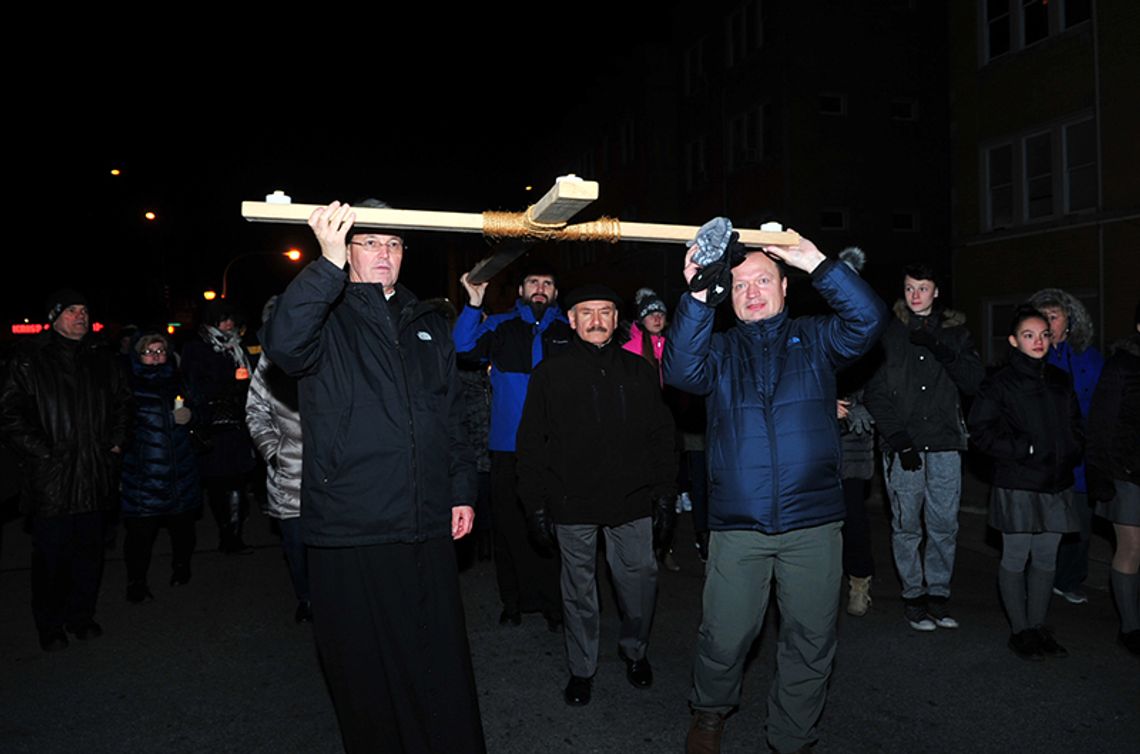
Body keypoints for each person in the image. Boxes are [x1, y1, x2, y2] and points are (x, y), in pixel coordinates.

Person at [261, 200, 484, 753]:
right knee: (363, 672)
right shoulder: (321, 313)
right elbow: (284, 347)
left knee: (436, 661)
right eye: (370, 243)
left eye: (394, 244)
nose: (384, 254)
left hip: (425, 519)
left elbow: (451, 415)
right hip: (351, 522)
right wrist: (326, 264)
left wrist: (461, 490)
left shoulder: (428, 319)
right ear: (348, 248)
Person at [664, 225, 887, 754]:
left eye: (763, 280)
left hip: (813, 521)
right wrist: (697, 291)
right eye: (739, 286)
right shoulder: (716, 352)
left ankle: (793, 737)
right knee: (725, 636)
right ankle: (710, 712)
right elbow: (679, 371)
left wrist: (816, 261)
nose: (752, 292)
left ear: (785, 287)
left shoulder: (815, 339)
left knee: (811, 641)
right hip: (739, 523)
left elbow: (869, 320)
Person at [517, 284, 677, 707]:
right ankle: (582, 668)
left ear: (615, 318)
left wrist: (665, 494)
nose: (595, 320)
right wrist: (534, 502)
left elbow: (662, 437)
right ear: (571, 319)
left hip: (631, 499)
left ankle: (635, 651)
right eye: (586, 312)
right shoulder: (550, 374)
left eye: (604, 311)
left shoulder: (639, 370)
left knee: (640, 582)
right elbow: (532, 442)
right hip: (571, 501)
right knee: (579, 593)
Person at [0, 289, 132, 651]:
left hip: (95, 473)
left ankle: (81, 616)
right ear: (54, 317)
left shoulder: (102, 358)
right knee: (51, 558)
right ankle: (50, 624)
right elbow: (9, 414)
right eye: (72, 310)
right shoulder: (29, 360)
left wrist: (116, 442)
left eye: (85, 310)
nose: (80, 316)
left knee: (90, 554)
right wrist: (43, 453)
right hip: (52, 479)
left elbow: (123, 403)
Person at [864, 263, 984, 631]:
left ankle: (938, 595)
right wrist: (899, 440)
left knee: (944, 524)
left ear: (936, 292)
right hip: (904, 446)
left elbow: (974, 382)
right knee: (906, 524)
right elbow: (876, 391)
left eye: (923, 288)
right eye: (910, 288)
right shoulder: (889, 333)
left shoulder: (957, 333)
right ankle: (913, 596)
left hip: (946, 442)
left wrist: (942, 348)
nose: (916, 295)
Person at [453, 263, 570, 630]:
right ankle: (513, 602)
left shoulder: (567, 330)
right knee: (509, 527)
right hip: (507, 448)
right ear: (520, 290)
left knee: (553, 528)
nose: (540, 287)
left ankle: (553, 604)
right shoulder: (499, 326)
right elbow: (462, 347)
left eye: (547, 281)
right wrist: (473, 304)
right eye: (533, 280)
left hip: (555, 450)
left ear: (554, 291)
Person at [968, 305, 1082, 660]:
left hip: (1056, 482)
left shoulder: (1060, 379)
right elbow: (980, 432)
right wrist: (1023, 448)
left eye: (1044, 334)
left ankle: (1037, 625)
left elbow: (1075, 425)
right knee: (1016, 558)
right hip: (1018, 481)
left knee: (1047, 559)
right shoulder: (999, 383)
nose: (1038, 341)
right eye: (1029, 335)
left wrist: (1072, 448)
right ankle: (1020, 630)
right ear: (1015, 341)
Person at [1027, 288, 1104, 605]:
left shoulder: (1089, 358)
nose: (1047, 323)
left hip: (1081, 459)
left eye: (1053, 317)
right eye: (1041, 317)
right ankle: (1038, 578)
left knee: (1079, 525)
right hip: (1044, 457)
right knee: (1041, 523)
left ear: (1069, 319)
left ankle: (1069, 579)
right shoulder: (1034, 357)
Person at [120, 331, 201, 603]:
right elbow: (118, 425)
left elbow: (201, 411)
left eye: (160, 351)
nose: (155, 357)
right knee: (140, 536)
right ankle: (136, 581)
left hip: (181, 471)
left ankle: (181, 568)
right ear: (138, 355)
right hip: (143, 475)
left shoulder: (180, 380)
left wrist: (190, 416)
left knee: (183, 530)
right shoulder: (127, 385)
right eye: (149, 351)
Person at [245, 296, 310, 623]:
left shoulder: (328, 352)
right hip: (290, 476)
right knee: (297, 548)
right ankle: (306, 598)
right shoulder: (270, 363)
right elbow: (256, 412)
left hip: (337, 475)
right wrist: (274, 452)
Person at [181, 300, 258, 554]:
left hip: (237, 423)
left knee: (237, 481)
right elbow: (192, 385)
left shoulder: (239, 347)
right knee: (217, 483)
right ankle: (225, 529)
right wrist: (227, 387)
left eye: (231, 319)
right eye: (223, 319)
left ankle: (233, 535)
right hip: (212, 423)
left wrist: (243, 389)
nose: (229, 324)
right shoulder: (197, 349)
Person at [1086, 302, 1140, 655]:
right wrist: (1100, 475)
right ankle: (1131, 627)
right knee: (1132, 548)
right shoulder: (1121, 366)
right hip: (1126, 472)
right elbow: (1101, 424)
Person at [622, 287, 681, 570]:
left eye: (660, 312)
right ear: (641, 318)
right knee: (644, 493)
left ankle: (663, 546)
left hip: (670, 429)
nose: (656, 317)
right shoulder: (629, 349)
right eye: (650, 313)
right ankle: (645, 550)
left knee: (668, 494)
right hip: (638, 433)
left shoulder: (674, 344)